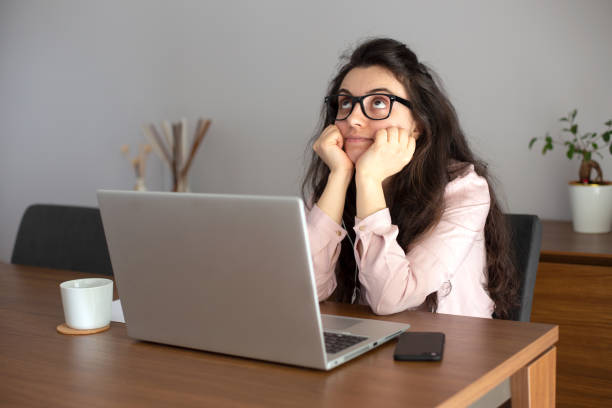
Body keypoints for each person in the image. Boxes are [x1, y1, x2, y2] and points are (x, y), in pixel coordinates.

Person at [301, 37, 518, 318]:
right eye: (345, 103)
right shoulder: (336, 186)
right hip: (370, 346)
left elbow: (391, 298)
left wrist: (369, 180)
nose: (353, 118)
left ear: (417, 124)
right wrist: (340, 176)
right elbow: (308, 289)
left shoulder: (464, 190)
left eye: (378, 102)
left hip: (451, 350)